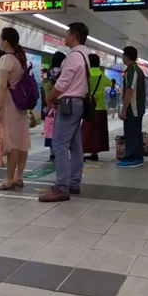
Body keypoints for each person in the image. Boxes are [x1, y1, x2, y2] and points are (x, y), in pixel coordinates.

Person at [39, 22, 89, 202]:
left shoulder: (74, 57)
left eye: (67, 33)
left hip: (68, 104)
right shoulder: (84, 55)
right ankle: (74, 182)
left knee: (59, 144)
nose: (65, 36)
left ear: (73, 36)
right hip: (78, 104)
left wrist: (49, 97)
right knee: (75, 146)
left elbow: (62, 83)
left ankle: (61, 187)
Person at [0, 28, 31, 191]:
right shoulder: (20, 58)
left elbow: (1, 87)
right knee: (21, 142)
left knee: (12, 144)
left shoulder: (6, 59)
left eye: (0, 39)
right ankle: (18, 177)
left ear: (5, 41)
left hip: (8, 104)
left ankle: (8, 179)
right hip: (19, 105)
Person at [118, 46, 146, 168]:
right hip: (137, 108)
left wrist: (124, 110)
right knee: (136, 132)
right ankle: (138, 157)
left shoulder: (132, 71)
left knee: (131, 133)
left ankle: (132, 158)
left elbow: (130, 91)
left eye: (123, 55)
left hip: (133, 109)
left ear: (126, 56)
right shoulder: (136, 70)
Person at [82, 53, 112, 161]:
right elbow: (110, 84)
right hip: (101, 107)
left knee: (86, 131)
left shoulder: (86, 74)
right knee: (98, 131)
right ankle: (94, 153)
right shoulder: (101, 75)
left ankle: (82, 153)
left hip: (87, 106)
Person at [41, 51, 66, 161]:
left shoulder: (48, 73)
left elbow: (44, 88)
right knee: (61, 129)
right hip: (61, 103)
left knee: (51, 128)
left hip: (49, 105)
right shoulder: (64, 72)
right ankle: (60, 150)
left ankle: (52, 151)